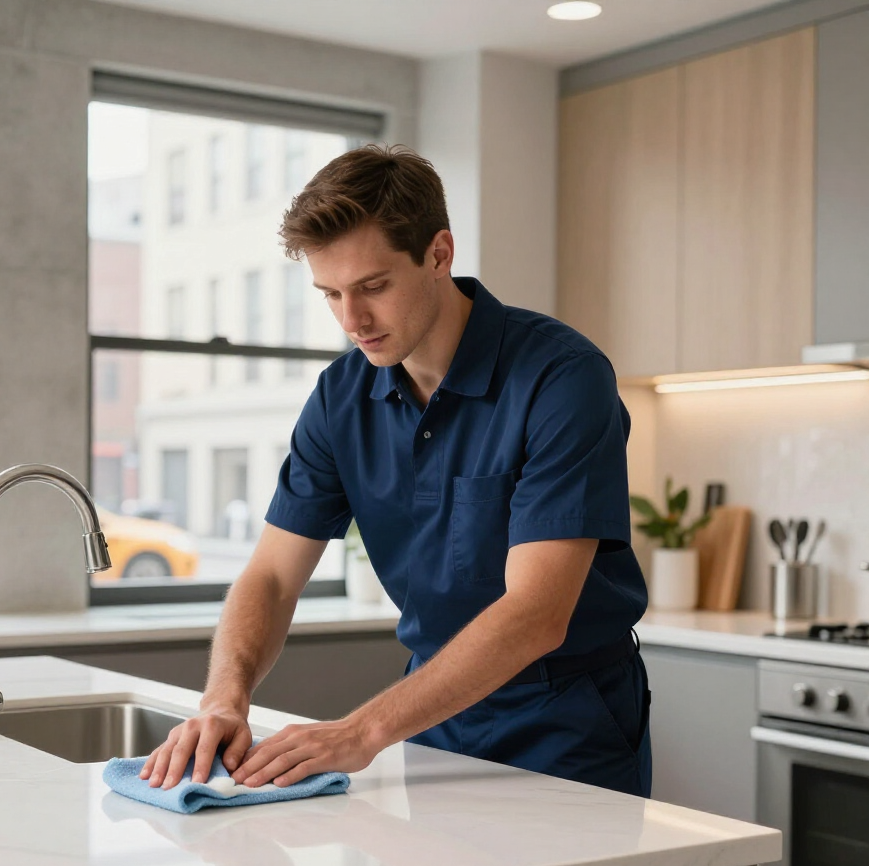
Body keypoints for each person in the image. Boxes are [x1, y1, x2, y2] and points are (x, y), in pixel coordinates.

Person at [141, 145, 651, 798]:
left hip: (566, 724)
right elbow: (271, 575)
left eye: (373, 287)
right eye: (330, 294)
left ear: (439, 254)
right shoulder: (340, 397)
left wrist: (360, 732)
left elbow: (535, 612)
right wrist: (223, 698)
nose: (352, 320)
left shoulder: (561, 378)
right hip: (431, 717)